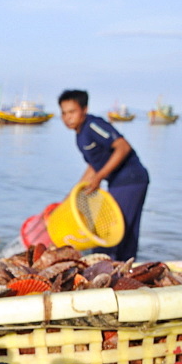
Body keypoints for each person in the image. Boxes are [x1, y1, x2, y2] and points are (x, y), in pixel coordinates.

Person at [58, 89, 149, 261]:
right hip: (119, 181)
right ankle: (126, 267)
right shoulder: (80, 135)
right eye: (63, 113)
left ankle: (109, 269)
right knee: (126, 229)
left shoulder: (93, 125)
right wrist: (70, 196)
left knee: (109, 231)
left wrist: (100, 177)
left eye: (72, 112)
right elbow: (94, 165)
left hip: (130, 178)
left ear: (84, 109)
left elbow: (123, 147)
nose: (67, 117)